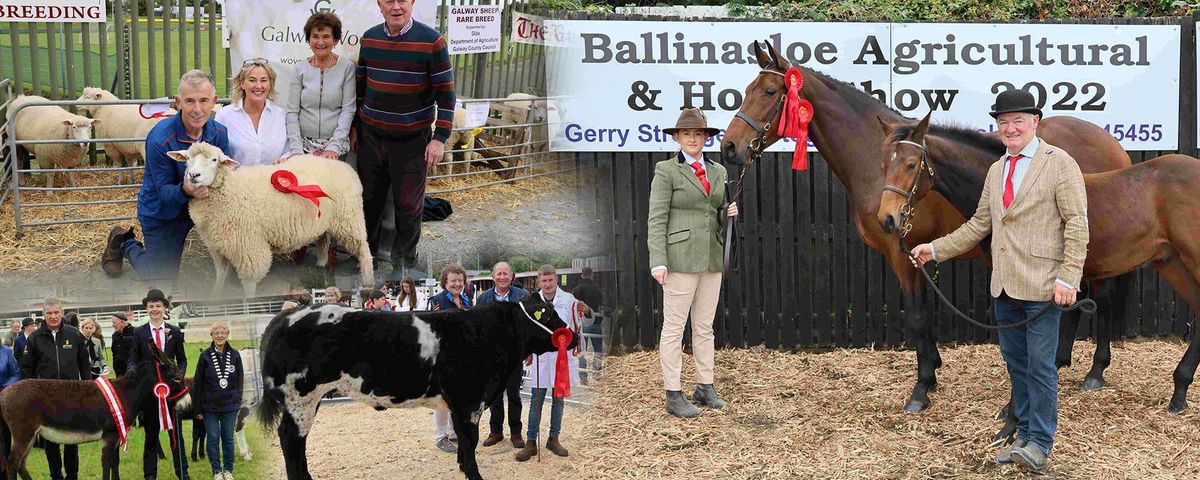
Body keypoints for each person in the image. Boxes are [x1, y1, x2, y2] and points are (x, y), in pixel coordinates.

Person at [909, 89, 1088, 475]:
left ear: (1034, 122)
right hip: (1004, 287)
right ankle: (1023, 435)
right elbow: (979, 225)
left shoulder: (1060, 164)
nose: (1009, 128)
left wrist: (1068, 277)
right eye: (1003, 123)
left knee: (1041, 367)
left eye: (1017, 121)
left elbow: (1077, 224)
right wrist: (935, 249)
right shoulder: (997, 169)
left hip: (1043, 287)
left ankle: (1040, 443)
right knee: (1018, 365)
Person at [646, 107, 738, 418]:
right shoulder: (666, 171)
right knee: (673, 329)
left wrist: (729, 211)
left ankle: (705, 386)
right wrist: (658, 260)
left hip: (711, 258)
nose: (693, 139)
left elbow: (717, 212)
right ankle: (673, 393)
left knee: (704, 327)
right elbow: (656, 219)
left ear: (705, 138)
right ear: (677, 137)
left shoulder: (719, 172)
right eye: (687, 134)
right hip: (679, 260)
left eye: (698, 134)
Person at [353, 0, 456, 268]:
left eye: (403, 0)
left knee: (409, 208)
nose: (396, 7)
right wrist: (356, 127)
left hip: (412, 142)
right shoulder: (370, 38)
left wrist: (439, 138)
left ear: (412, 3)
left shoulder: (432, 42)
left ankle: (404, 264)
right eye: (389, 1)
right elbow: (360, 88)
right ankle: (368, 260)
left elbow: (446, 96)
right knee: (368, 204)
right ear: (380, 5)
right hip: (371, 138)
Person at [101, 69, 230, 282]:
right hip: (164, 212)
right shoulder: (160, 139)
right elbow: (162, 192)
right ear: (177, 102)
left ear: (214, 101)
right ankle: (124, 242)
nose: (197, 109)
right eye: (190, 101)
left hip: (202, 207)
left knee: (235, 259)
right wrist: (185, 189)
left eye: (204, 101)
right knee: (160, 280)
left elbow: (223, 177)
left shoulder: (219, 134)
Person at [516, 265, 584, 462]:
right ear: (539, 282)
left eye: (551, 280)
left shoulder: (569, 300)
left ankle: (553, 438)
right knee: (536, 401)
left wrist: (584, 311)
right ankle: (530, 441)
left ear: (556, 280)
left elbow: (578, 324)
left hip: (562, 358)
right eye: (543, 281)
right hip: (541, 357)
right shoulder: (531, 302)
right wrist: (527, 351)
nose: (547, 284)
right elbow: (526, 329)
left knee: (559, 401)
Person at [19, 298, 88, 480]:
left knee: (72, 439)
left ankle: (72, 475)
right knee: (51, 441)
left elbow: (84, 366)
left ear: (62, 313)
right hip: (46, 399)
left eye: (56, 312)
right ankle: (55, 475)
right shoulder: (34, 338)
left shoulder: (74, 335)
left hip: (72, 396)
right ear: (44, 315)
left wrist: (86, 391)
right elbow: (27, 370)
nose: (53, 316)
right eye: (49, 313)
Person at [128, 289, 191, 480]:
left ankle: (182, 472)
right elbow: (133, 359)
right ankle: (150, 475)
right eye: (151, 306)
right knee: (151, 436)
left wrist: (179, 375)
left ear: (164, 307)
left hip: (171, 393)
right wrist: (133, 374)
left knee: (176, 435)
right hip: (150, 393)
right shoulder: (139, 332)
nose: (155, 309)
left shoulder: (175, 331)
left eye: (158, 306)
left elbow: (182, 359)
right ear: (146, 309)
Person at [288, 12, 357, 159]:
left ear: (336, 40)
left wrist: (335, 146)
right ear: (308, 39)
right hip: (303, 147)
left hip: (335, 148)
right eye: (315, 36)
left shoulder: (346, 68)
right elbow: (292, 112)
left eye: (326, 36)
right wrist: (296, 149)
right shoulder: (299, 69)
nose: (320, 42)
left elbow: (348, 110)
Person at [476, 261, 529, 449]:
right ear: (493, 277)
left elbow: (528, 328)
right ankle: (496, 432)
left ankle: (516, 433)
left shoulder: (523, 297)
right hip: (492, 357)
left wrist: (527, 350)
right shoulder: (483, 299)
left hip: (514, 355)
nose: (502, 277)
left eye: (505, 274)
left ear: (512, 276)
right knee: (495, 396)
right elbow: (478, 328)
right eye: (498, 274)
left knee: (514, 395)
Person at [425, 264, 470, 453]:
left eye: (460, 281)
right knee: (441, 398)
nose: (457, 284)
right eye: (453, 281)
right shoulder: (436, 301)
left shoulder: (467, 301)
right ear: (445, 282)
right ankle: (440, 436)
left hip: (461, 358)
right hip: (441, 357)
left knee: (457, 397)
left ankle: (453, 432)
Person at [192, 322, 244, 480]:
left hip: (230, 406)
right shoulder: (205, 356)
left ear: (227, 334)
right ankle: (216, 470)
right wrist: (198, 409)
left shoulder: (235, 355)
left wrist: (238, 401)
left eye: (223, 332)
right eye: (216, 332)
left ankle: (228, 470)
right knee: (213, 438)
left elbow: (240, 380)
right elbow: (197, 383)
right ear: (212, 335)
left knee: (228, 438)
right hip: (210, 407)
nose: (220, 335)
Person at [216, 59, 289, 167]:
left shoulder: (282, 116)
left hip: (274, 180)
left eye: (264, 80)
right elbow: (215, 153)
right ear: (242, 84)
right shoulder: (224, 116)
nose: (258, 86)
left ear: (270, 84)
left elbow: (290, 150)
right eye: (252, 80)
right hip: (236, 181)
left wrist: (284, 160)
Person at [571, 266, 604, 372]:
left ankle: (583, 373)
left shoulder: (576, 290)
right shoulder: (597, 289)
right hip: (596, 322)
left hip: (581, 324)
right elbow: (602, 304)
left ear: (582, 275)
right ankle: (597, 369)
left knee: (581, 349)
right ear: (592, 274)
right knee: (598, 348)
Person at [110, 312, 133, 378]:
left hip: (132, 372)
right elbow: (114, 353)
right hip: (119, 373)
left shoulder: (135, 332)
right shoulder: (115, 335)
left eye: (114, 323)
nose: (113, 325)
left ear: (122, 322)